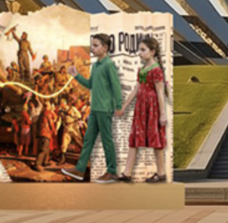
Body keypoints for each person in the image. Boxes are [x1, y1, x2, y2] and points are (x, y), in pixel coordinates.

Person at [61, 33, 122, 183]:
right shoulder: (95, 66)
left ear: (105, 47)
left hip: (105, 109)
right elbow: (90, 85)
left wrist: (119, 106)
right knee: (88, 140)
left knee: (107, 140)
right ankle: (80, 169)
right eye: (92, 45)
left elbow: (116, 86)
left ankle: (112, 172)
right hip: (94, 109)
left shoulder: (108, 65)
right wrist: (76, 75)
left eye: (96, 45)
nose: (92, 48)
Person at [116, 37, 170, 183]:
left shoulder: (156, 70)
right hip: (141, 108)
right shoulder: (142, 70)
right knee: (135, 137)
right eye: (139, 50)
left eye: (143, 50)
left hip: (152, 109)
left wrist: (163, 114)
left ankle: (161, 173)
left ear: (152, 52)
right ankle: (127, 172)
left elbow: (160, 93)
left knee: (155, 139)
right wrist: (124, 106)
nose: (139, 53)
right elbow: (136, 89)